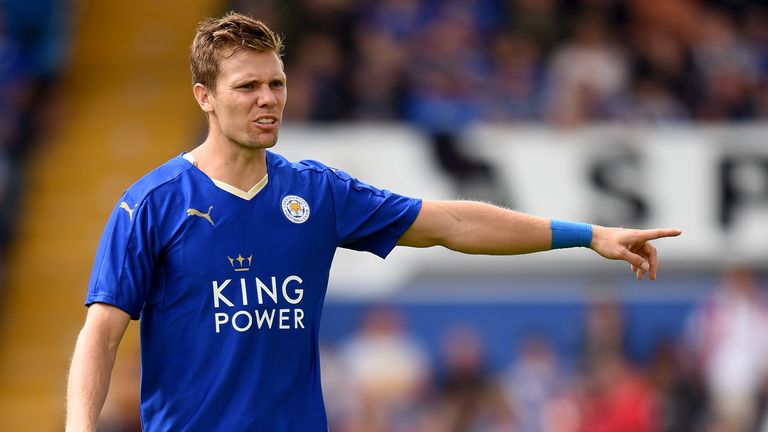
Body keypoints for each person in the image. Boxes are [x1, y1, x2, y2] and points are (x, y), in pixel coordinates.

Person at [65, 12, 681, 432]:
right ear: (204, 96)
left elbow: (451, 224)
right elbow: (102, 333)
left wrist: (589, 234)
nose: (268, 99)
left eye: (275, 84)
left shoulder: (316, 191)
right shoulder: (151, 205)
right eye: (247, 86)